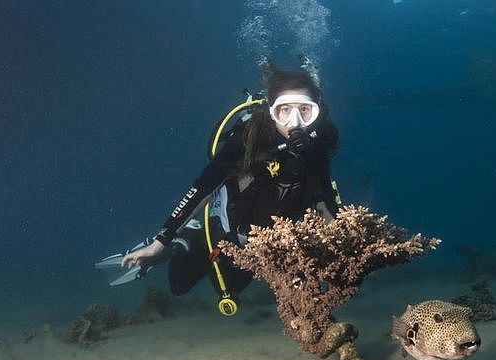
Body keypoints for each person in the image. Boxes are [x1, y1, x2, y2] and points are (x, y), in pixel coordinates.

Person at [119, 64, 340, 314]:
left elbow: (325, 196)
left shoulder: (317, 146)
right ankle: (186, 238)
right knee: (179, 285)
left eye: (305, 110)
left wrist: (344, 245)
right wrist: (161, 241)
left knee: (233, 284)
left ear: (317, 112)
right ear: (271, 111)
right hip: (227, 233)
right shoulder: (248, 139)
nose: (295, 122)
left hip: (261, 245)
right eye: (284, 110)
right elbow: (203, 187)